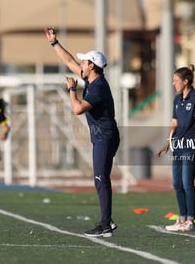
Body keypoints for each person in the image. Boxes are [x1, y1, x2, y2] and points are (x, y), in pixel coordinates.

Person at [44, 27, 120, 238]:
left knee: (101, 178)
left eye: (85, 62)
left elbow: (77, 109)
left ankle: (106, 224)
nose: (81, 65)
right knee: (100, 179)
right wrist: (54, 42)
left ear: (92, 66)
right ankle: (107, 221)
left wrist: (71, 90)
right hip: (102, 136)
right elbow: (69, 61)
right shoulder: (92, 79)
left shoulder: (97, 88)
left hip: (105, 136)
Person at [157, 65, 195, 232]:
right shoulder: (177, 99)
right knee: (177, 184)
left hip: (191, 147)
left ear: (186, 81)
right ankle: (182, 218)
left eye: (176, 81)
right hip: (178, 146)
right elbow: (174, 123)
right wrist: (167, 143)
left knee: (187, 183)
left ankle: (191, 221)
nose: (173, 83)